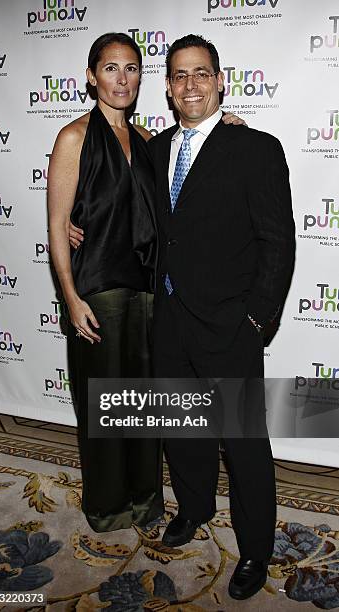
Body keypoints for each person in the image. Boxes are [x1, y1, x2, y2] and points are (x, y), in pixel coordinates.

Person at [50, 32, 245, 533]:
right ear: (92, 76)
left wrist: (229, 126)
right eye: (111, 68)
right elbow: (56, 226)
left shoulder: (148, 142)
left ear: (143, 79)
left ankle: (144, 501)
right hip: (97, 294)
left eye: (131, 68)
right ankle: (109, 506)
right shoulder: (73, 138)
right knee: (104, 406)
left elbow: (195, 158)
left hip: (149, 295)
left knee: (143, 408)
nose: (122, 78)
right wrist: (70, 298)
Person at [148, 34, 295, 600]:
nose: (190, 84)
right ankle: (194, 508)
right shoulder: (154, 149)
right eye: (180, 75)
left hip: (230, 323)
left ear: (220, 81)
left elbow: (277, 241)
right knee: (182, 431)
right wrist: (71, 225)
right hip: (168, 320)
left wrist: (257, 319)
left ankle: (255, 548)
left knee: (243, 442)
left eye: (201, 74)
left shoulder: (255, 147)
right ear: (167, 86)